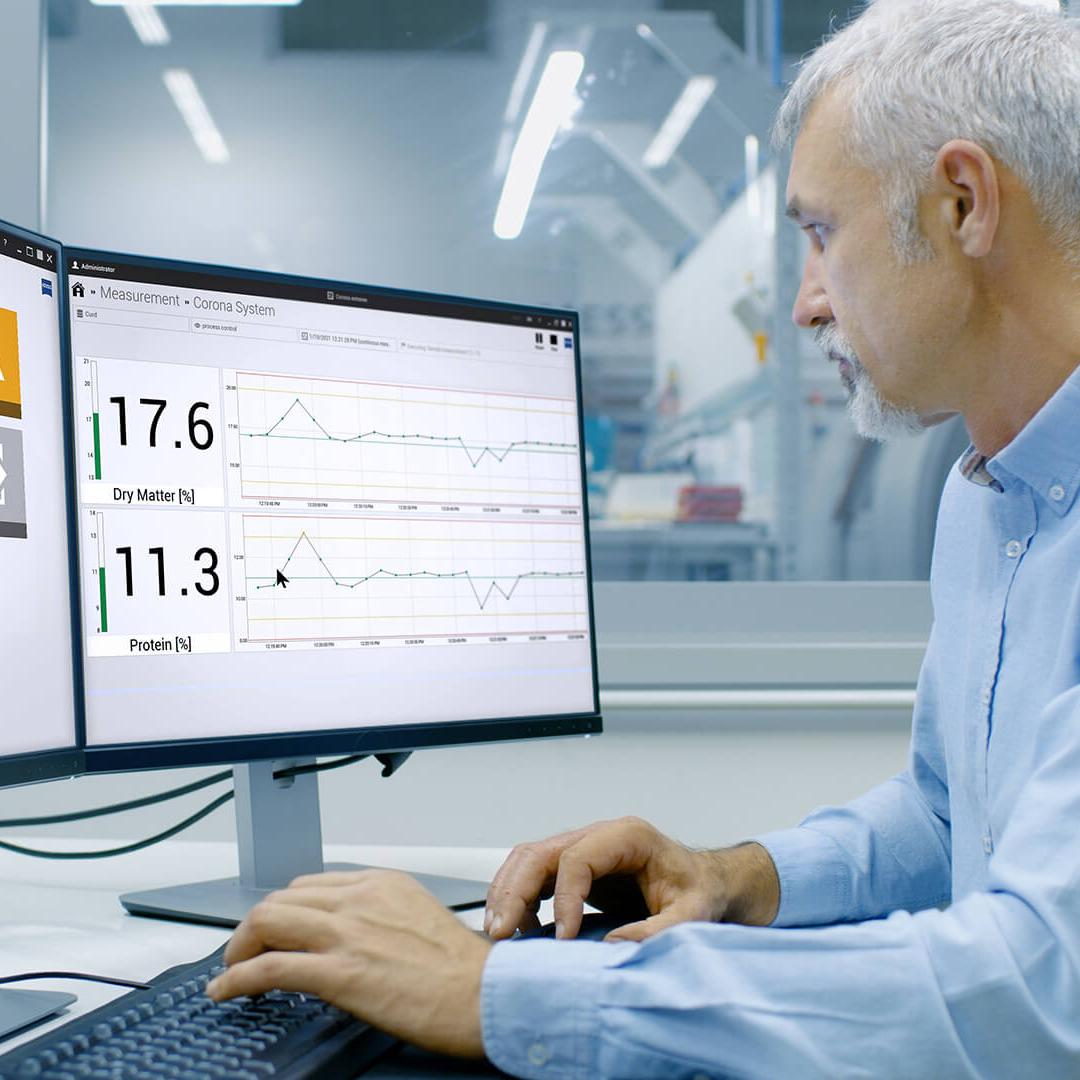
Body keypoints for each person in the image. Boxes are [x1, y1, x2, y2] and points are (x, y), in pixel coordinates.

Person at [206, 1, 1080, 1075]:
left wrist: (497, 989)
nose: (806, 303)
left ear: (962, 202)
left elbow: (1041, 991)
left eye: (820, 234)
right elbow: (952, 824)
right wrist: (733, 874)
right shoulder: (991, 501)